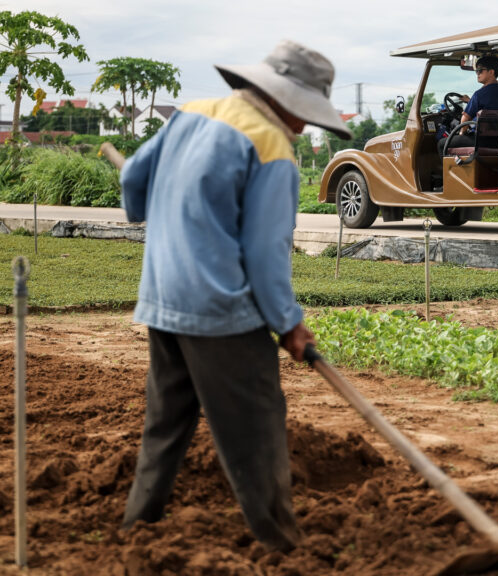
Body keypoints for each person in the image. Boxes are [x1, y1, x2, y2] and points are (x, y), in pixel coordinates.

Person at [118, 40, 353, 552]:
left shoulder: (191, 113)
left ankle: (137, 527)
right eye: (306, 115)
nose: (305, 126)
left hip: (164, 300)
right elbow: (267, 256)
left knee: (165, 426)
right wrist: (288, 322)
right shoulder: (271, 146)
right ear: (286, 101)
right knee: (257, 429)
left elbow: (133, 178)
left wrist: (152, 211)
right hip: (222, 313)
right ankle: (284, 547)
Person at [437, 54, 498, 156]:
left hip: (480, 141)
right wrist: (470, 101)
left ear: (491, 72)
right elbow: (492, 105)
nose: (477, 74)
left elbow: (465, 119)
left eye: (480, 70)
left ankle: (449, 171)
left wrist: (461, 134)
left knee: (442, 144)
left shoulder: (479, 94)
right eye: (476, 71)